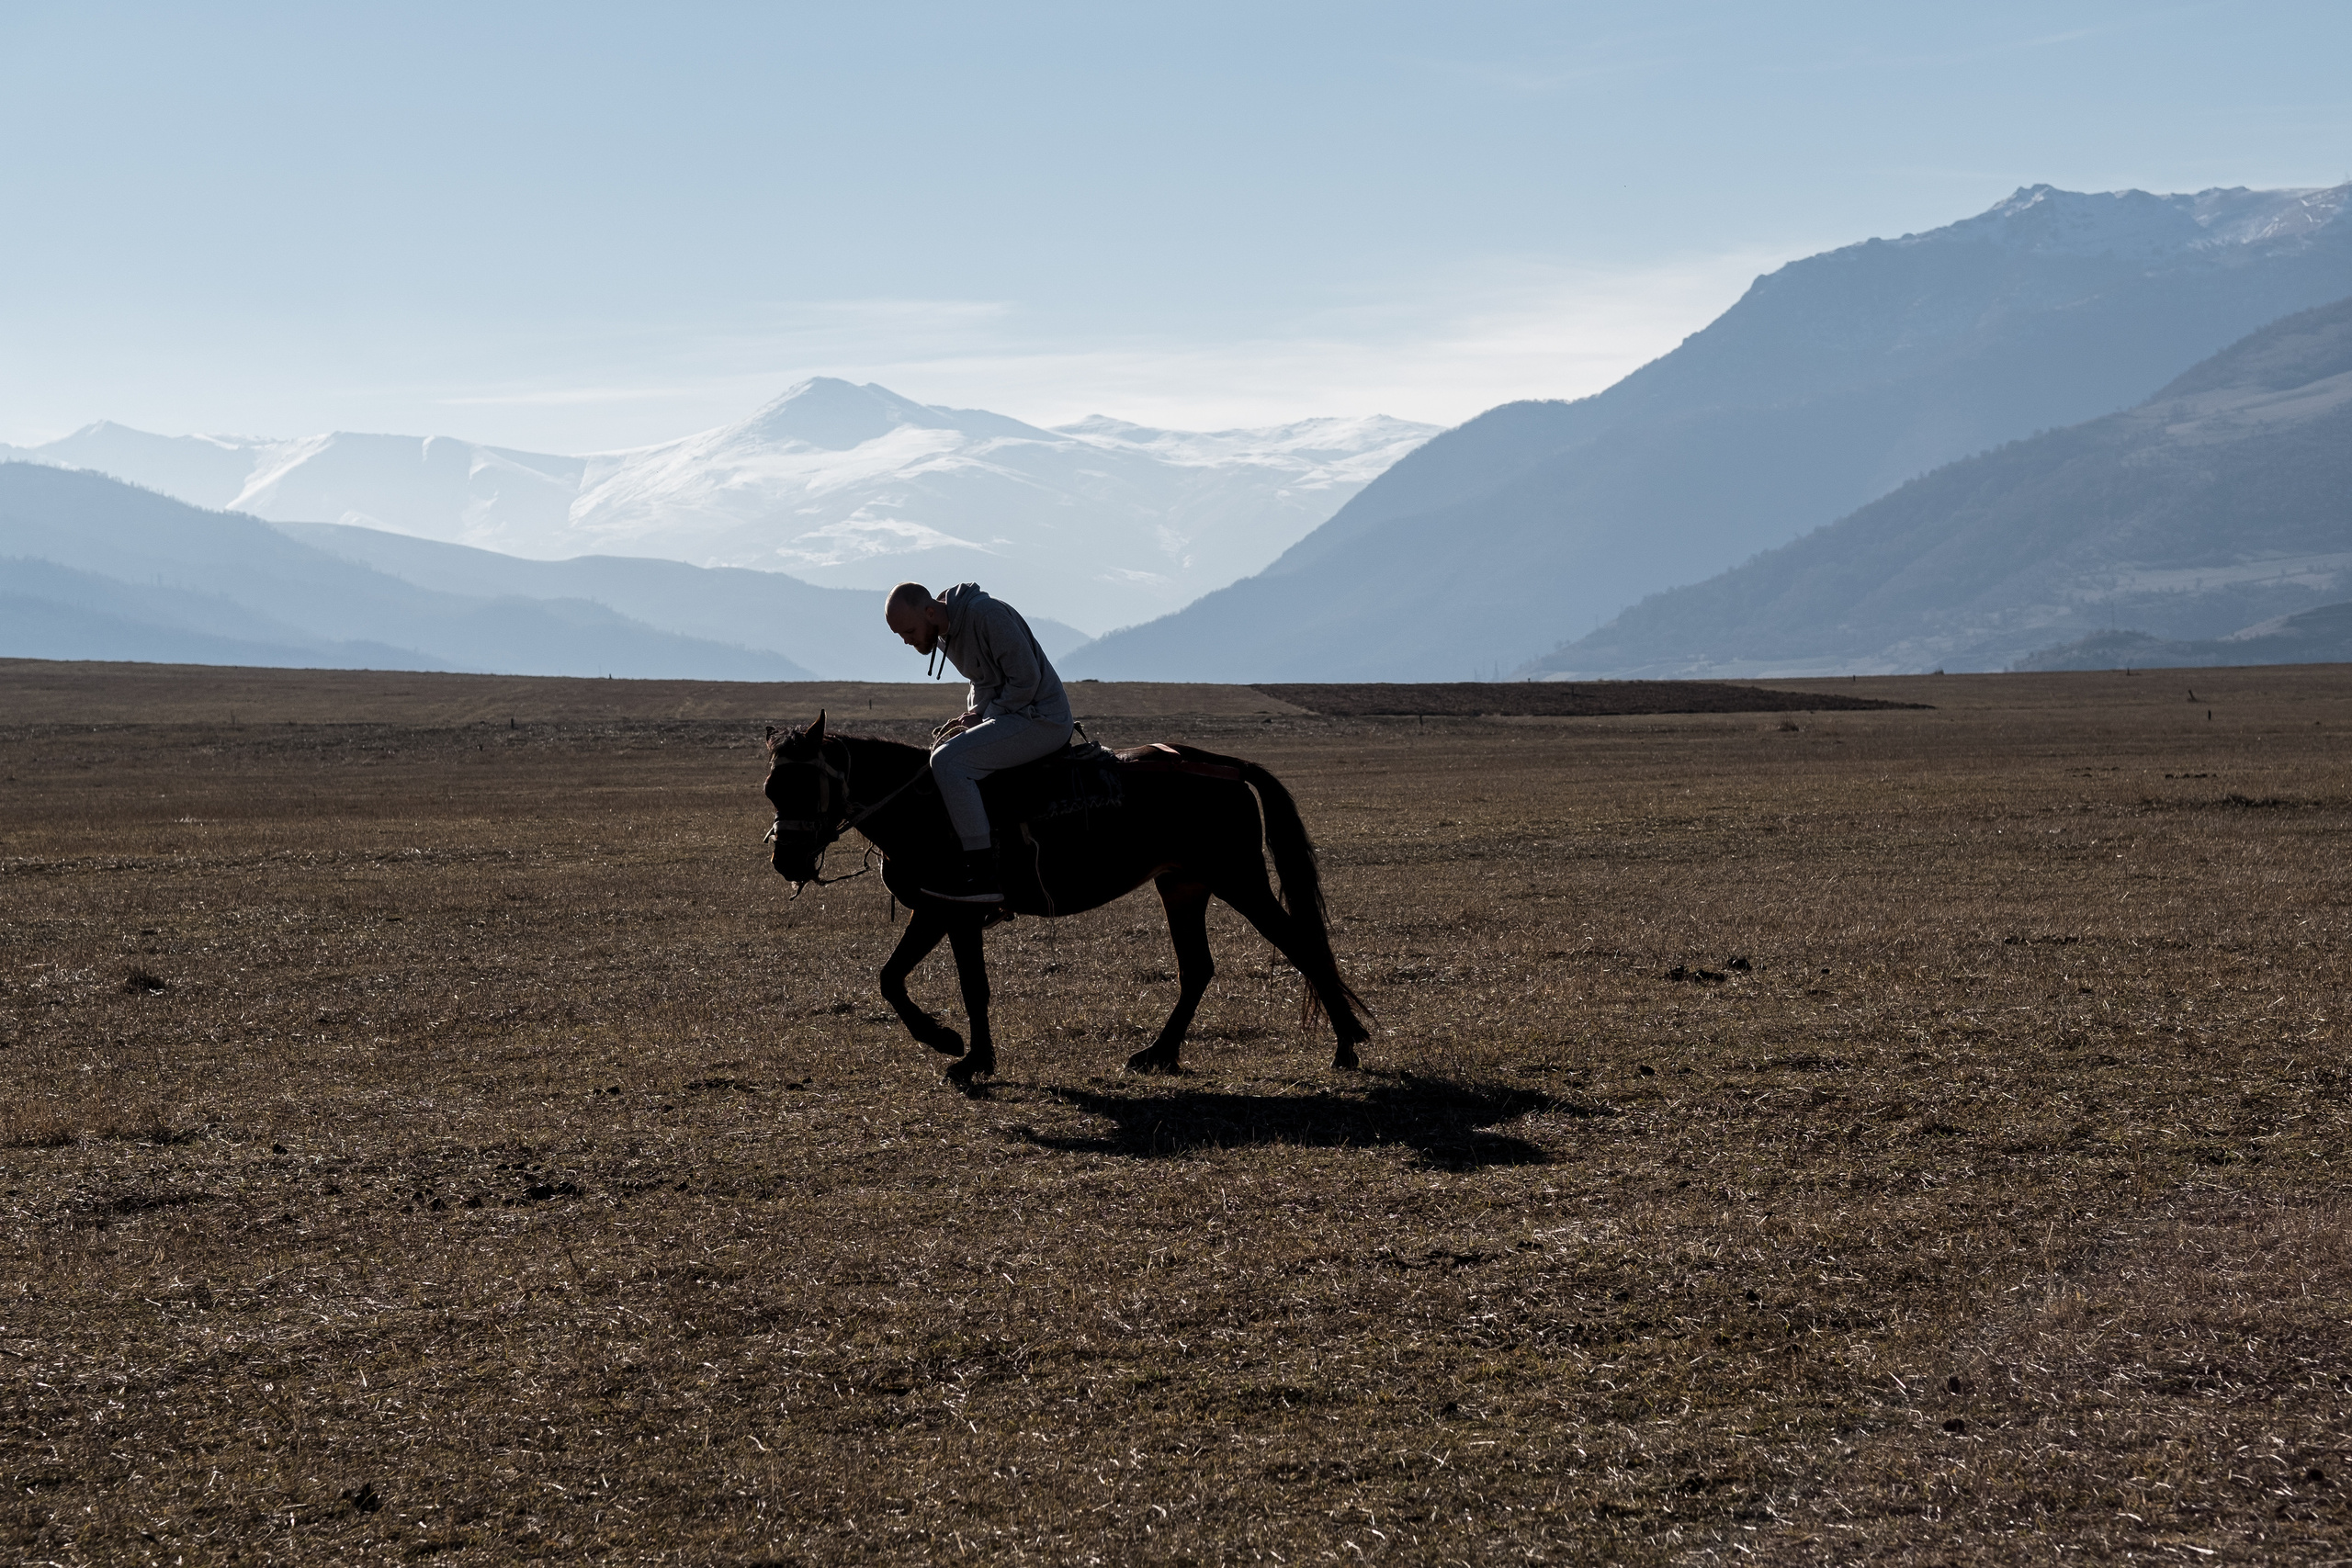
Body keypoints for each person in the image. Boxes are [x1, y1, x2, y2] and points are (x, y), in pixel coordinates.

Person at [885, 581, 1074, 902]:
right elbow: (982, 680)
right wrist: (975, 712)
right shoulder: (943, 631)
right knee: (946, 753)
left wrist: (988, 716)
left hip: (1043, 719)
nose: (907, 641)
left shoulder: (987, 616)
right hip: (1011, 715)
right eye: (901, 635)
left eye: (909, 631)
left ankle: (982, 875)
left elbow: (1026, 681)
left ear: (931, 611)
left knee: (948, 762)